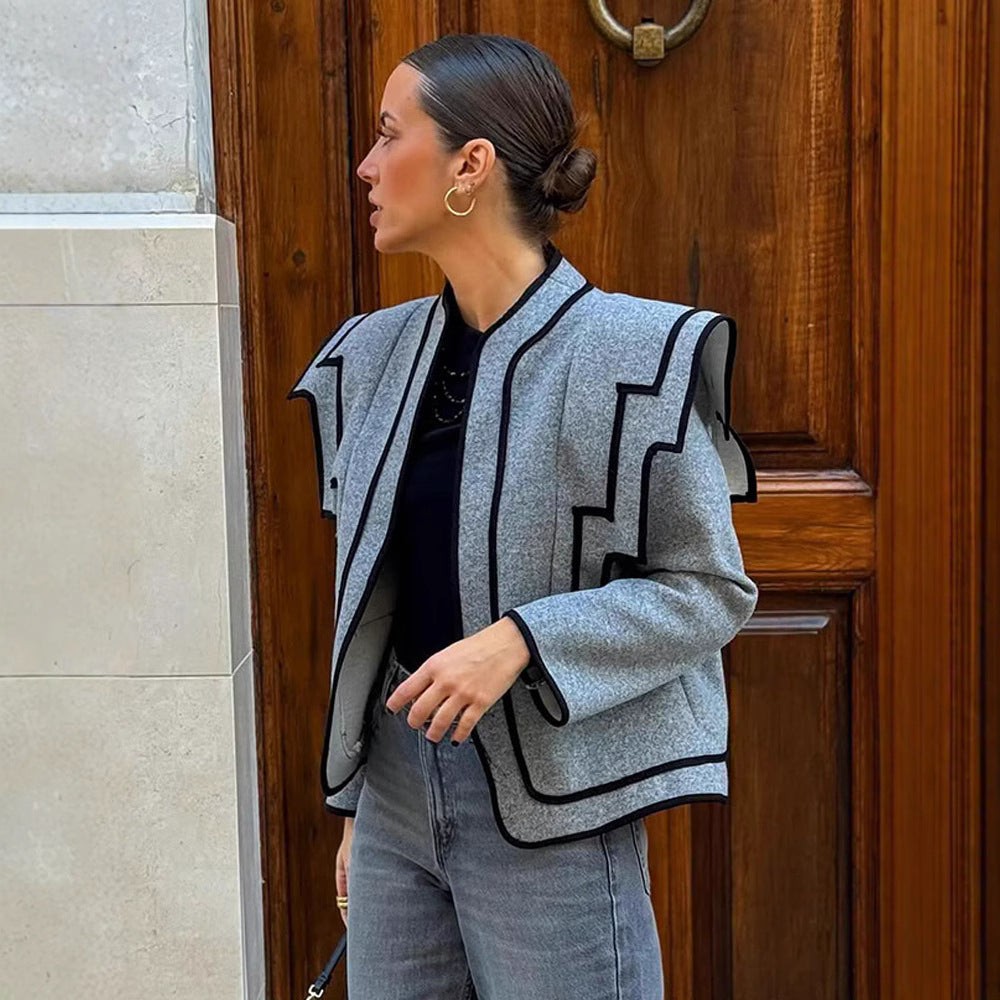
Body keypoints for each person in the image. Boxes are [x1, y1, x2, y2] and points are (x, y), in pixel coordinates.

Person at [288, 32, 758, 1000]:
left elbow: (708, 589)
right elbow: (376, 601)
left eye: (389, 135)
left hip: (553, 808)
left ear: (470, 164)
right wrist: (361, 804)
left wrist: (522, 640)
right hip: (395, 796)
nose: (366, 165)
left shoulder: (635, 355)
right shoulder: (370, 357)